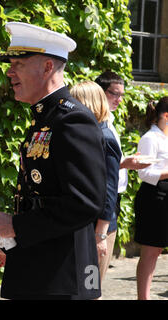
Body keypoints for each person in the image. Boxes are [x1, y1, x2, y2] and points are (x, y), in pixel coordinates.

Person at [0, 22, 107, 300]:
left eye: (18, 64)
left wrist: (16, 226)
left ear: (48, 67)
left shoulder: (72, 120)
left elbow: (85, 202)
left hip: (61, 274)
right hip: (40, 264)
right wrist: (11, 242)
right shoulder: (46, 118)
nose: (10, 72)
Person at [70, 81, 121, 284]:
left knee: (90, 287)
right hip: (83, 226)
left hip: (98, 228)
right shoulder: (86, 135)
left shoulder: (105, 138)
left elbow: (109, 189)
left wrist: (100, 234)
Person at [95, 71, 150, 219]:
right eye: (115, 94)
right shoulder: (96, 123)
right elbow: (95, 164)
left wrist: (127, 161)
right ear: (100, 92)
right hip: (102, 195)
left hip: (113, 193)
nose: (119, 100)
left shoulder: (110, 120)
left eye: (122, 95)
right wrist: (124, 164)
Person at [134, 97, 168, 300]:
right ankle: (143, 297)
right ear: (166, 116)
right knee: (151, 249)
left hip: (164, 196)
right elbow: (144, 174)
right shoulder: (150, 138)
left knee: (158, 248)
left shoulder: (164, 137)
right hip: (154, 197)